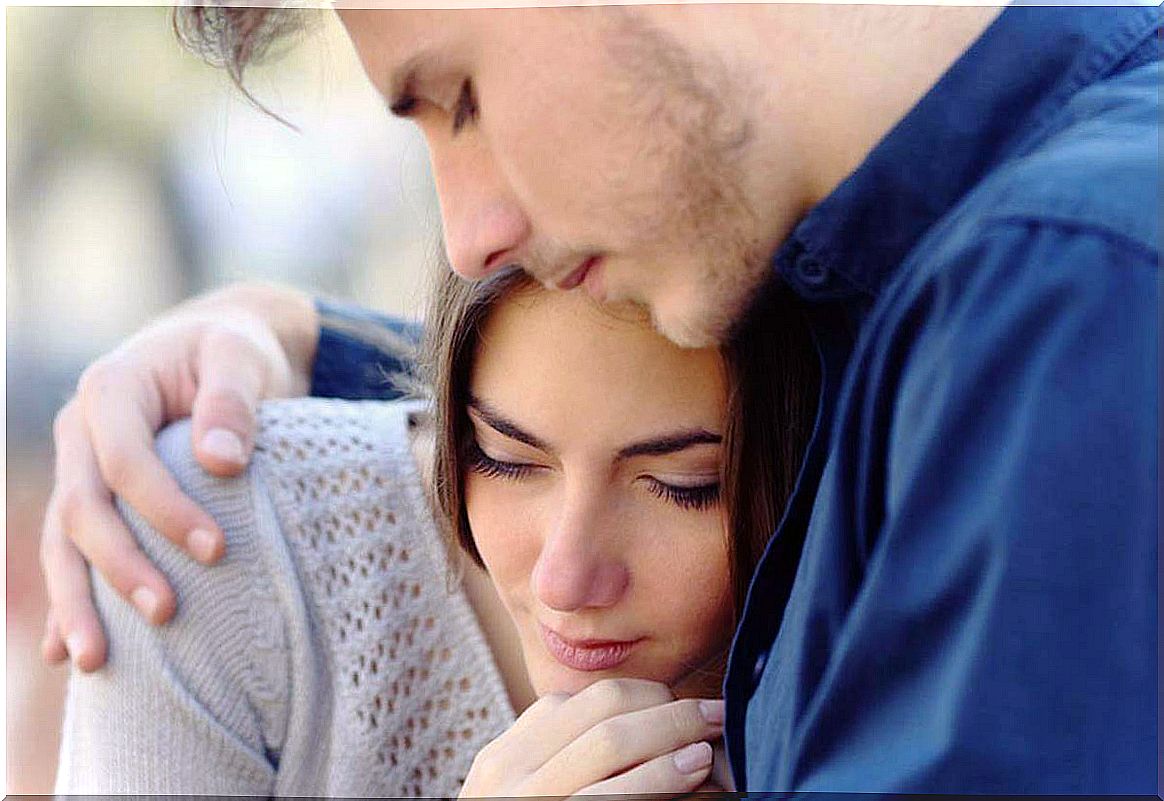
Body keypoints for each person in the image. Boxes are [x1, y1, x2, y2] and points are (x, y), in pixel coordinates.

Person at [42, 4, 1159, 794]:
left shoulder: (1074, 302)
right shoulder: (970, 291)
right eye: (505, 454)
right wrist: (306, 340)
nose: (471, 231)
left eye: (459, 99)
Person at [54, 266, 818, 795]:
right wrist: (289, 325)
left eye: (685, 487)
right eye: (507, 458)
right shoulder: (216, 535)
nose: (563, 577)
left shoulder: (871, 640)